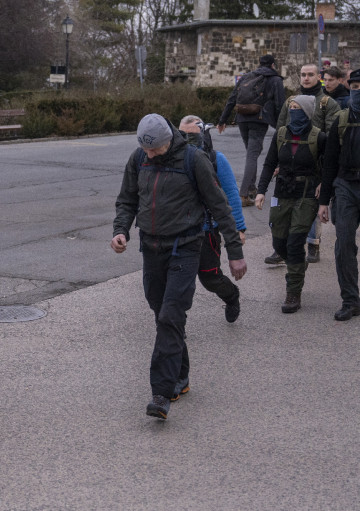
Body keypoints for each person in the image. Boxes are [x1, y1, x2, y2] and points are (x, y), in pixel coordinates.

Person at [112, 114, 247, 420]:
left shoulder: (194, 160)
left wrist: (235, 251)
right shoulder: (139, 158)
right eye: (145, 150)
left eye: (155, 150)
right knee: (162, 314)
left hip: (185, 248)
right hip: (151, 249)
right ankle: (181, 375)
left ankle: (161, 393)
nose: (149, 155)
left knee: (172, 315)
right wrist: (121, 230)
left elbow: (220, 205)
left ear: (168, 141)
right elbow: (127, 200)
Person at [255, 96, 326, 313]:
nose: (293, 111)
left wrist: (323, 185)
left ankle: (293, 293)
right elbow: (269, 164)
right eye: (290, 108)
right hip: (282, 193)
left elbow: (329, 166)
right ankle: (298, 265)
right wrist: (260, 191)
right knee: (279, 244)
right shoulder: (281, 134)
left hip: (306, 195)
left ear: (307, 112)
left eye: (297, 108)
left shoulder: (319, 137)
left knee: (295, 243)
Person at [264, 63, 341, 265]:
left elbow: (333, 139)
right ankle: (283, 248)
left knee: (310, 203)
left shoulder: (327, 103)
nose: (306, 78)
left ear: (319, 77)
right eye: (303, 75)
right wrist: (281, 159)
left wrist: (325, 177)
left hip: (316, 161)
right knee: (286, 208)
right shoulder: (291, 101)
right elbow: (281, 129)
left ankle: (313, 243)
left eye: (310, 74)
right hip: (291, 161)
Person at [178, 115, 246, 324]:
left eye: (192, 135)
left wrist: (239, 229)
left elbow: (231, 196)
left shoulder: (217, 159)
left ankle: (231, 295)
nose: (186, 139)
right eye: (182, 135)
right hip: (179, 230)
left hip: (207, 230)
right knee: (178, 280)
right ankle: (175, 324)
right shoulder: (173, 159)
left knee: (210, 278)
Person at [318, 68, 360, 321]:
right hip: (346, 186)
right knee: (344, 244)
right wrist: (324, 202)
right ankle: (351, 300)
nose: (358, 92)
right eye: (354, 88)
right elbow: (330, 162)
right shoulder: (341, 120)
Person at [218, 54, 285, 207]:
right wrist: (282, 124)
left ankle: (251, 188)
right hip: (259, 120)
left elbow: (232, 98)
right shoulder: (275, 80)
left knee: (251, 152)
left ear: (259, 64)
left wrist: (222, 121)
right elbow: (280, 105)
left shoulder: (247, 76)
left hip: (242, 117)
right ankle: (243, 195)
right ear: (273, 65)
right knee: (252, 155)